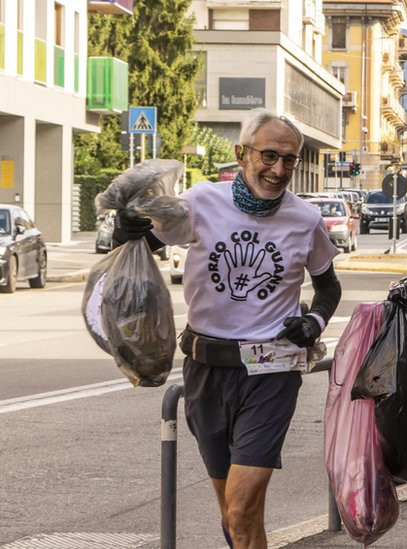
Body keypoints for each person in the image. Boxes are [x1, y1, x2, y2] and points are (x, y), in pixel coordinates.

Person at [113, 109, 342, 549]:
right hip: (205, 370)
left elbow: (328, 284)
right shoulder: (201, 202)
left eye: (289, 160)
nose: (279, 170)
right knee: (238, 517)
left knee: (239, 508)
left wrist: (313, 321)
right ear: (242, 154)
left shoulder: (305, 218)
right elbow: (142, 242)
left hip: (271, 373)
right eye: (269, 156)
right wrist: (125, 227)